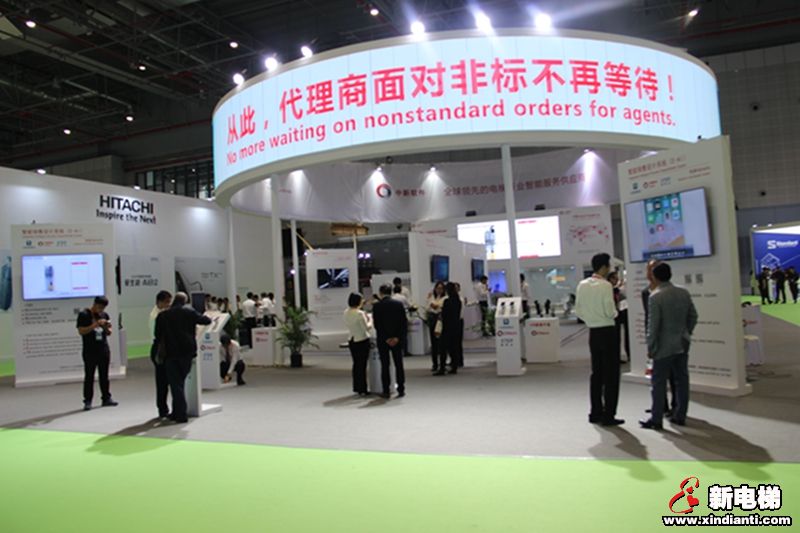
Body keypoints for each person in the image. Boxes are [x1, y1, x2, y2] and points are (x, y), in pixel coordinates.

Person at [640, 263, 698, 430]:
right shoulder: (683, 292)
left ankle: (656, 419)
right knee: (682, 381)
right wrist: (686, 333)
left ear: (655, 277)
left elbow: (653, 326)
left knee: (658, 383)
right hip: (682, 343)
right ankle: (680, 415)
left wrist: (651, 346)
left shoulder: (655, 297)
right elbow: (693, 316)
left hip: (663, 347)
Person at [575, 253, 622, 426]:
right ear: (604, 267)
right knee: (611, 374)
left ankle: (595, 412)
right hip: (608, 331)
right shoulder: (605, 286)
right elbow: (610, 311)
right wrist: (615, 314)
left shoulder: (582, 285)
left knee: (597, 373)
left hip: (593, 332)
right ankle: (609, 414)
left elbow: (578, 310)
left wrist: (591, 319)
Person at [154, 292, 212, 423]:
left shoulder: (163, 315)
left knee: (176, 384)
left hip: (170, 353)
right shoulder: (189, 312)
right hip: (186, 352)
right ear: (185, 301)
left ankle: (178, 413)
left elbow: (157, 335)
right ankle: (179, 413)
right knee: (179, 383)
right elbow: (206, 321)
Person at [76, 296, 118, 411]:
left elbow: (109, 332)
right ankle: (88, 400)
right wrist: (95, 325)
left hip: (103, 349)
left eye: (103, 308)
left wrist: (105, 327)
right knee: (89, 376)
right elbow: (81, 331)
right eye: (99, 307)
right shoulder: (84, 314)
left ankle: (106, 398)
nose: (101, 310)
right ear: (94, 304)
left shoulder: (105, 315)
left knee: (104, 375)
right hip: (90, 350)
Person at [372, 284, 407, 399]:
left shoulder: (377, 306)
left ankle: (386, 390)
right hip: (397, 339)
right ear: (391, 292)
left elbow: (377, 325)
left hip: (383, 340)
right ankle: (401, 388)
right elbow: (403, 323)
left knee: (385, 365)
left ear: (380, 293)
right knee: (399, 364)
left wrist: (386, 337)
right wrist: (397, 337)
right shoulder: (398, 304)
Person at [148, 290, 172, 418]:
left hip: (160, 348)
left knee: (164, 380)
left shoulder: (159, 313)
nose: (169, 305)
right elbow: (158, 335)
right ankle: (162, 409)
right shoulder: (157, 315)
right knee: (162, 381)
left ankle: (163, 408)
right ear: (160, 302)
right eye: (167, 302)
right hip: (159, 349)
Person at [343, 292, 372, 396]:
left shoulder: (346, 312)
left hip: (352, 339)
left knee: (356, 364)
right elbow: (366, 327)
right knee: (362, 365)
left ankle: (357, 387)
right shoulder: (360, 314)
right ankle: (363, 388)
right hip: (361, 340)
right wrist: (370, 320)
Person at [435, 282, 463, 375]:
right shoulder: (458, 301)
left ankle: (442, 368)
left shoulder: (447, 301)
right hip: (456, 326)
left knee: (443, 348)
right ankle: (454, 367)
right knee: (453, 348)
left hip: (447, 327)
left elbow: (444, 315)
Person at [426, 281, 447, 372]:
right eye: (438, 288)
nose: (439, 290)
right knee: (433, 343)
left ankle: (442, 364)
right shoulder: (431, 297)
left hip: (440, 320)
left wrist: (434, 305)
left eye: (441, 288)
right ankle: (434, 363)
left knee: (441, 343)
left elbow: (438, 307)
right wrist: (433, 304)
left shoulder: (445, 298)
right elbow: (429, 307)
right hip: (432, 319)